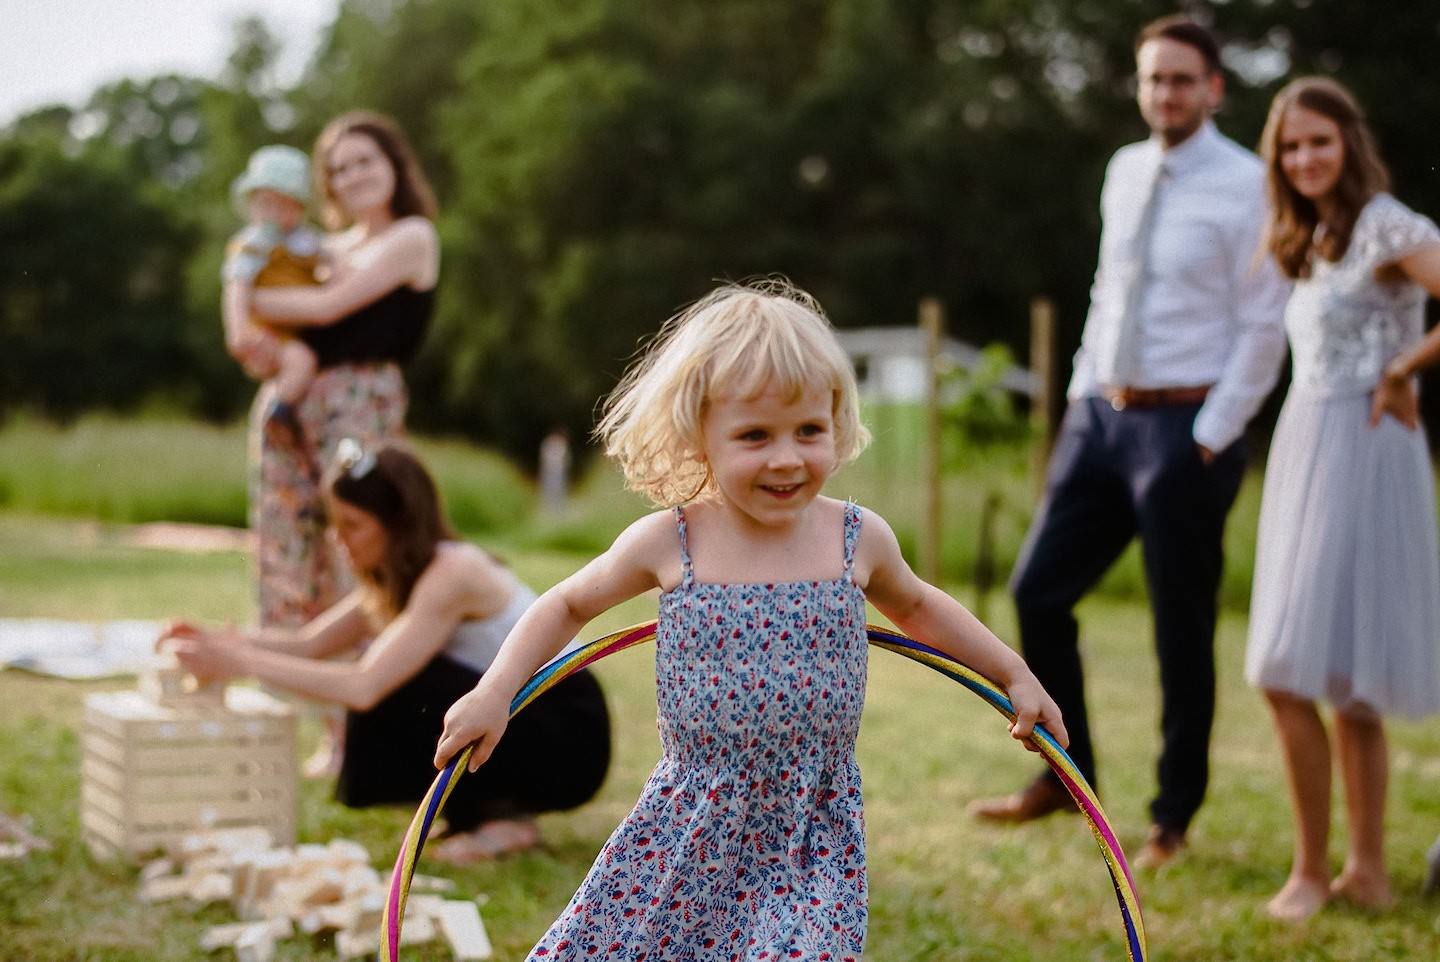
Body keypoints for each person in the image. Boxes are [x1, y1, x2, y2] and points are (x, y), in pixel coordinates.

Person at [433, 281, 1066, 959]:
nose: (788, 458)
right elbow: (564, 604)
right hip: (689, 817)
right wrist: (496, 692)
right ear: (699, 435)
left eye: (809, 431)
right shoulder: (671, 541)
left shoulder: (857, 538)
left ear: (837, 422)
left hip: (810, 828)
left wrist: (1013, 672)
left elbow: (918, 606)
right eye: (755, 435)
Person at [968, 14, 1290, 870]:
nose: (1166, 93)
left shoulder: (1251, 184)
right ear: (1139, 85)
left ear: (1214, 89)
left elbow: (1264, 328)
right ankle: (1066, 780)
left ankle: (1171, 818)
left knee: (1178, 628)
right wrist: (1081, 396)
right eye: (1153, 79)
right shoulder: (1123, 170)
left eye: (1182, 80)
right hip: (1100, 417)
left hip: (1188, 428)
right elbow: (1108, 292)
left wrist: (1213, 437)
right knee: (1038, 591)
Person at [159, 442, 612, 861]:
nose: (340, 542)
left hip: (569, 730)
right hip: (526, 715)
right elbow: (310, 644)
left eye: (353, 527)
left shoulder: (451, 572)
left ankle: (505, 816)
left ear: (396, 525)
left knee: (401, 683)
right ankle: (473, 811)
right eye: (335, 527)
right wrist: (218, 642)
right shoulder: (399, 576)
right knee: (403, 673)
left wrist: (239, 664)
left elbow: (363, 686)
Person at [1245, 76, 1440, 921]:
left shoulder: (1389, 225)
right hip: (1306, 443)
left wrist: (1403, 370)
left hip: (1367, 445)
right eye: (1291, 146)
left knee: (1327, 672)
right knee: (1295, 669)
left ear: (1348, 142)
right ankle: (1321, 869)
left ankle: (1352, 871)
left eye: (1319, 140)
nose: (1306, 157)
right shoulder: (1312, 235)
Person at [224, 111, 440, 776]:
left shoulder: (410, 236)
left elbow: (323, 310)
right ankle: (327, 733)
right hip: (293, 401)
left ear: (394, 165)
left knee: (363, 558)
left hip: (360, 401)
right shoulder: (320, 244)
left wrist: (242, 294)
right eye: (338, 169)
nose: (351, 176)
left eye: (364, 161)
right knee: (289, 558)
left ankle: (373, 734)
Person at [223, 144, 324, 452]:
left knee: (300, 362)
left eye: (283, 206)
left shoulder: (307, 242)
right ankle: (280, 414)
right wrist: (238, 328)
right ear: (252, 205)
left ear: (298, 208)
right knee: (301, 361)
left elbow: (328, 264)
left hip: (297, 329)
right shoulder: (252, 244)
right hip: (268, 331)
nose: (274, 214)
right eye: (266, 204)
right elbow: (237, 285)